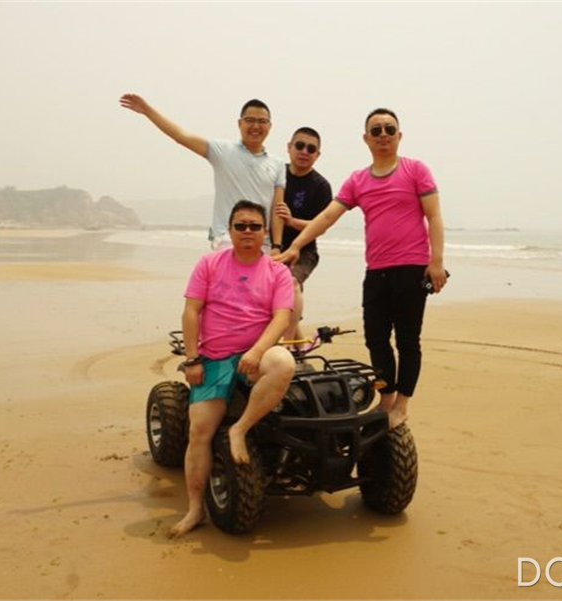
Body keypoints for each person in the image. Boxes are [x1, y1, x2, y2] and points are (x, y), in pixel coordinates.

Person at [276, 108, 447, 429]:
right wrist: (296, 245)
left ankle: (402, 405)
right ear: (366, 138)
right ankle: (386, 399)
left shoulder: (415, 170)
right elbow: (327, 217)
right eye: (376, 130)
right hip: (376, 271)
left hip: (411, 269)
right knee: (376, 340)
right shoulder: (358, 179)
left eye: (389, 129)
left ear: (399, 135)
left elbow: (434, 216)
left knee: (408, 341)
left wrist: (436, 262)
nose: (383, 135)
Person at [173, 200, 296, 537]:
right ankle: (195, 509)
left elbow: (282, 318)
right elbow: (191, 311)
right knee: (199, 431)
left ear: (264, 232)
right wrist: (192, 359)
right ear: (230, 230)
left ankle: (239, 430)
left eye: (254, 226)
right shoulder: (210, 263)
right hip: (213, 358)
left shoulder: (278, 272)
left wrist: (257, 351)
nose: (247, 231)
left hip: (254, 356)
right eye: (240, 225)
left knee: (284, 362)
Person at [119, 93, 286, 253]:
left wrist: (277, 246)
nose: (256, 126)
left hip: (262, 242)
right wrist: (148, 111)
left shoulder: (277, 164)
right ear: (240, 123)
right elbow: (181, 136)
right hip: (226, 240)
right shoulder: (223, 151)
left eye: (262, 121)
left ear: (269, 126)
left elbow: (277, 209)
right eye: (250, 120)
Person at [274, 127, 333, 343]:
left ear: (317, 154)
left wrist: (291, 221)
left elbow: (322, 225)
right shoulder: (276, 174)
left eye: (311, 149)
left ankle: (288, 347)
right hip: (272, 246)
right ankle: (300, 352)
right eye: (299, 146)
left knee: (290, 284)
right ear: (289, 147)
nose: (304, 151)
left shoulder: (321, 186)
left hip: (304, 251)